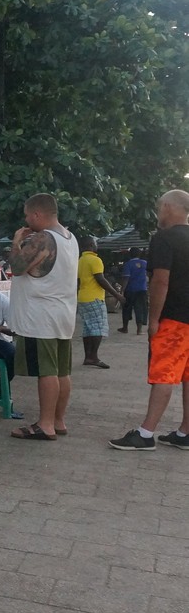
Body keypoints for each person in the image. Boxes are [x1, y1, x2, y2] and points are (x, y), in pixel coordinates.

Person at [111, 190, 189, 450]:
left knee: (164, 374)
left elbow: (160, 280)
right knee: (187, 376)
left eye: (158, 208)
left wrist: (153, 319)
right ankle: (185, 432)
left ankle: (145, 434)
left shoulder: (164, 238)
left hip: (173, 318)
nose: (158, 214)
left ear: (167, 207)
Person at [8, 193, 78, 441]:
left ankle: (45, 424)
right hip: (63, 313)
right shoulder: (70, 238)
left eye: (28, 215)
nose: (26, 220)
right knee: (61, 371)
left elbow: (17, 267)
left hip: (41, 316)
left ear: (37, 214)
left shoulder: (42, 238)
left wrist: (17, 242)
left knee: (47, 371)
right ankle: (58, 420)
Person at [77, 235, 123, 368]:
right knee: (98, 327)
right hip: (95, 298)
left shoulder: (80, 260)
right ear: (91, 245)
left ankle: (88, 356)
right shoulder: (95, 260)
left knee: (88, 328)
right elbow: (100, 279)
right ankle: (94, 357)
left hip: (83, 297)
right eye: (95, 243)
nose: (97, 245)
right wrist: (117, 294)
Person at [118, 247, 149, 335]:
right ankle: (139, 330)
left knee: (126, 309)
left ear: (130, 254)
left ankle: (125, 328)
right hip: (142, 289)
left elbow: (126, 279)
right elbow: (149, 275)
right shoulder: (145, 263)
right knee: (140, 309)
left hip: (130, 290)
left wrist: (122, 291)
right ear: (139, 254)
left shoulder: (128, 264)